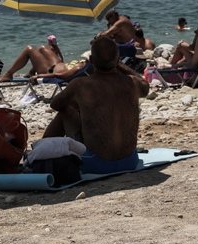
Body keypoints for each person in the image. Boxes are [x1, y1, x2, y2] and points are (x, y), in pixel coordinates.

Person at [43, 37, 149, 174]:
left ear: (91, 60)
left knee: (66, 110)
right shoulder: (132, 82)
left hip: (95, 164)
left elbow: (56, 105)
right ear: (117, 60)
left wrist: (81, 106)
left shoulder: (80, 84)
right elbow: (145, 87)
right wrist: (119, 65)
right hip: (129, 162)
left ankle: (41, 153)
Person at [0, 35, 65, 82]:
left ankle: (8, 74)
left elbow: (61, 75)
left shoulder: (72, 71)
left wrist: (39, 76)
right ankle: (31, 72)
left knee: (29, 49)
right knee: (42, 48)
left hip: (52, 71)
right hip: (59, 65)